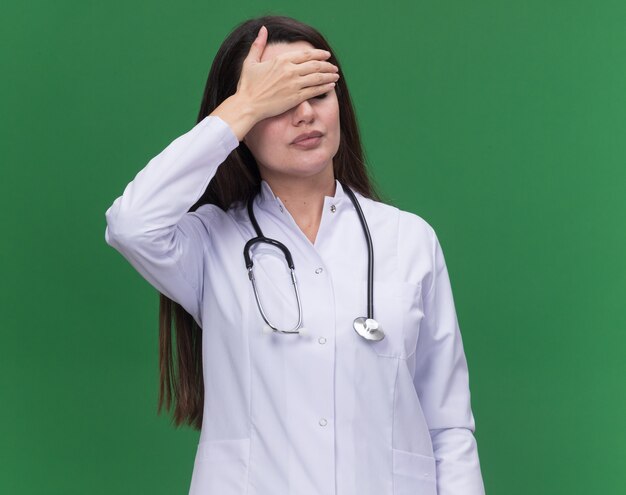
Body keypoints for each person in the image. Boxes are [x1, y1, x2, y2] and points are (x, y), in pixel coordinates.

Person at [104, 14, 485, 495]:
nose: (305, 113)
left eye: (319, 94)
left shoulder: (408, 241)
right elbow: (131, 223)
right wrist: (243, 105)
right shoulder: (210, 244)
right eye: (280, 100)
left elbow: (448, 426)